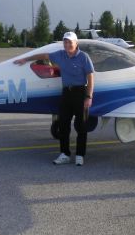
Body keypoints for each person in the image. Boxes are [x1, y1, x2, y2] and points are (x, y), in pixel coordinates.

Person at [14, 31, 95, 166]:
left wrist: (89, 96)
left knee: (81, 126)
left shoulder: (83, 57)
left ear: (76, 43)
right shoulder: (60, 55)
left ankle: (80, 155)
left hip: (80, 93)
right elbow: (44, 55)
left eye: (70, 42)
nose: (67, 44)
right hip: (66, 93)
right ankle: (65, 154)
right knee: (63, 125)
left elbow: (90, 77)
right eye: (65, 42)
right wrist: (26, 59)